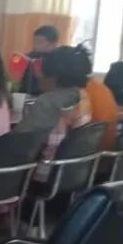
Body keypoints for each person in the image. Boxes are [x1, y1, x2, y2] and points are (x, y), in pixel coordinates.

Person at [15, 45, 93, 179]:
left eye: (42, 71)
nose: (38, 75)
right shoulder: (83, 95)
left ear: (53, 76)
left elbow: (19, 140)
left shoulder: (48, 102)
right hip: (74, 172)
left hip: (43, 174)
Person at [20, 25, 60, 96]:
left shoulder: (60, 60)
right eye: (34, 41)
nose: (35, 45)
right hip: (25, 96)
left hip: (47, 98)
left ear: (53, 44)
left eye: (39, 42)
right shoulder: (30, 57)